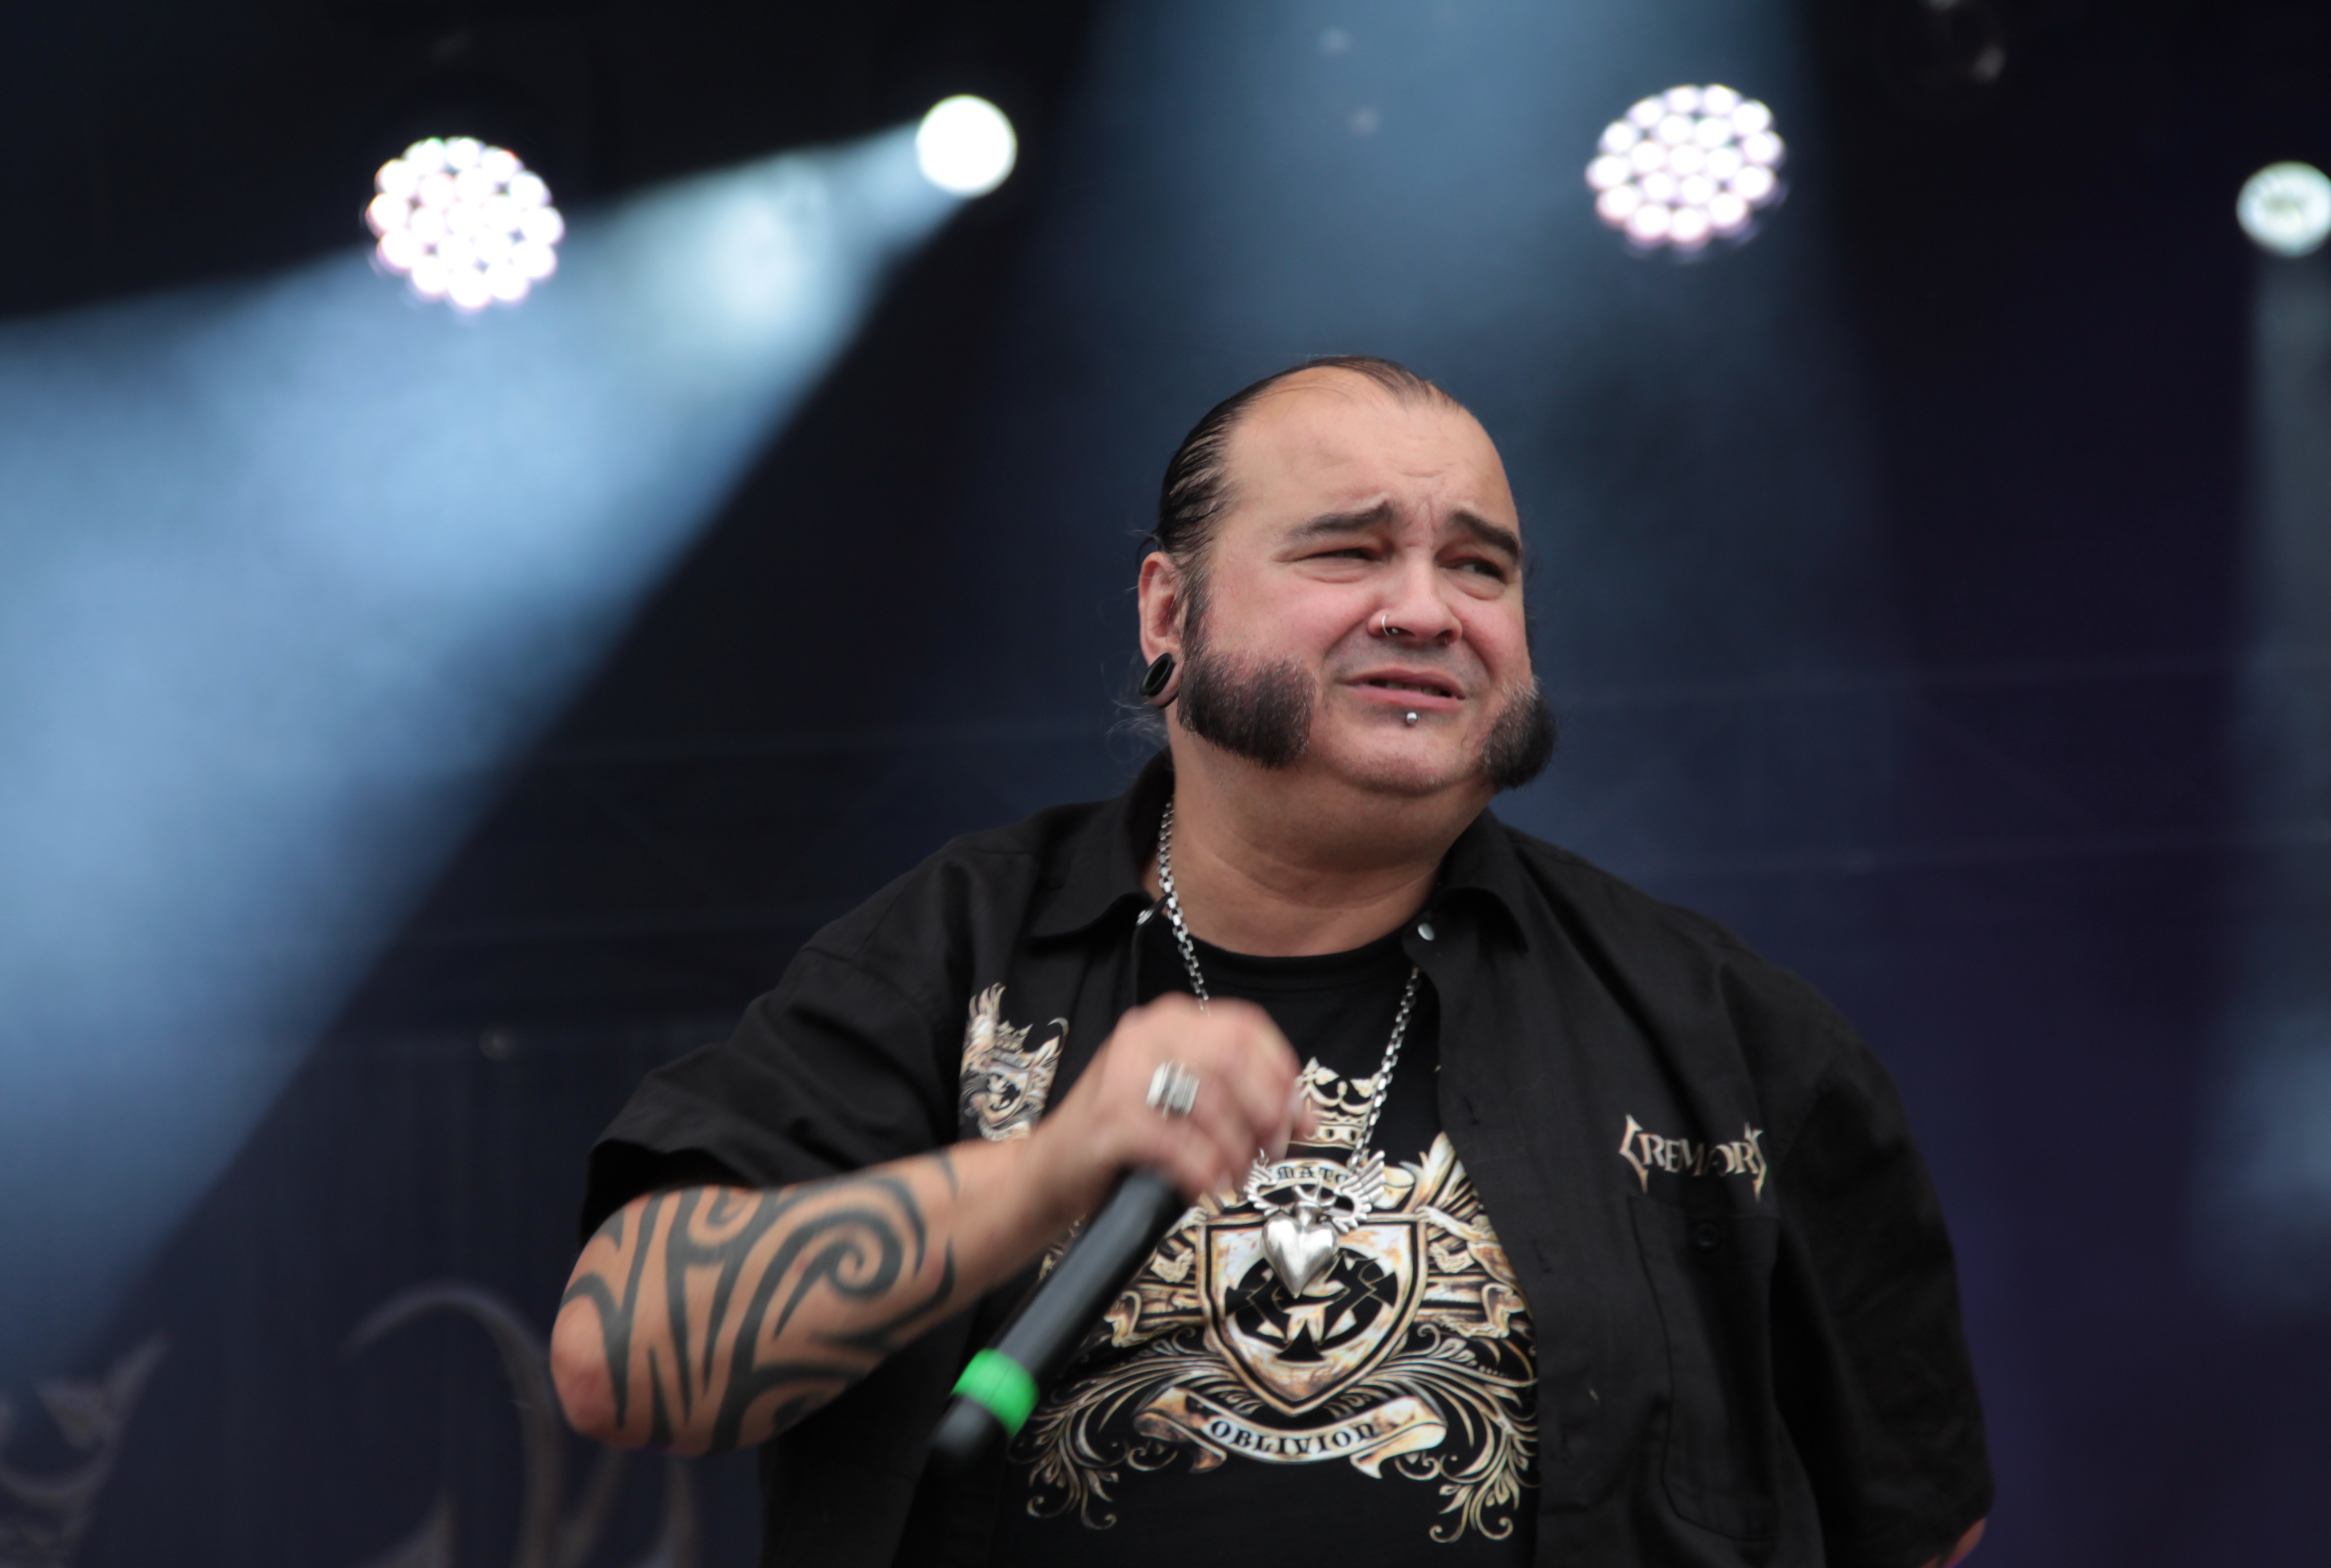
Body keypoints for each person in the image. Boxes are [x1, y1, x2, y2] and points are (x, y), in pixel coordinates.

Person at [549, 357, 1993, 1568]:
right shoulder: (947, 955)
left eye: (1479, 566)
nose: (1426, 608)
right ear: (1168, 614)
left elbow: (1920, 1522)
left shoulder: (1723, 1027)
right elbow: (620, 1358)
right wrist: (1046, 1173)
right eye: (1349, 550)